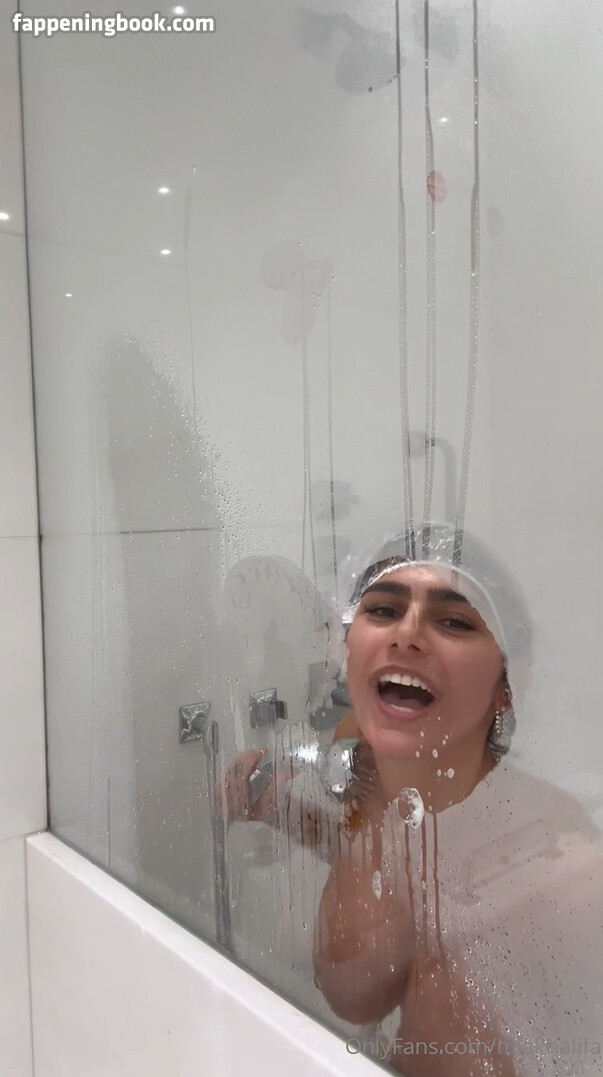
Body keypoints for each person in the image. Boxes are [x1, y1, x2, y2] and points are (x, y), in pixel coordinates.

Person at [222, 524, 603, 1076]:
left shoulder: (557, 865)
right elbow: (402, 885)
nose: (407, 634)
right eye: (382, 610)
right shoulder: (381, 778)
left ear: (508, 684)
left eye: (455, 621)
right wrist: (279, 811)